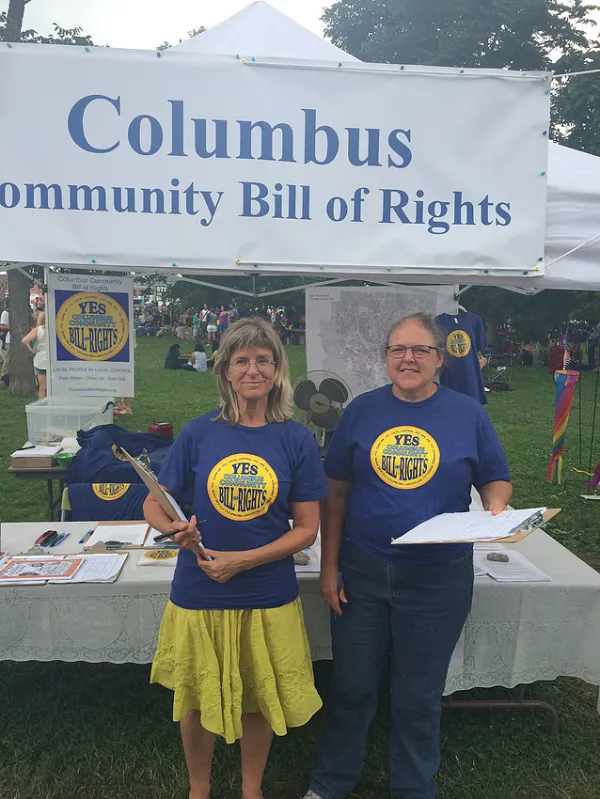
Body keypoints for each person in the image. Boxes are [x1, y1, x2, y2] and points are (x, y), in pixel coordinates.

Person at [305, 312, 512, 799]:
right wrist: (329, 567)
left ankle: (413, 788)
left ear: (440, 360)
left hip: (438, 580)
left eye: (420, 350)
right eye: (398, 349)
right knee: (352, 688)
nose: (408, 358)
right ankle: (331, 784)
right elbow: (334, 493)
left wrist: (496, 506)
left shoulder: (468, 414)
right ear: (386, 359)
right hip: (363, 572)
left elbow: (495, 477)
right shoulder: (360, 411)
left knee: (418, 697)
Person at [145, 316, 328, 799]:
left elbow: (308, 530)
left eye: (263, 360)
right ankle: (198, 789)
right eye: (242, 360)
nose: (253, 370)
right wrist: (171, 528)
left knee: (257, 696)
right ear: (225, 370)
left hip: (265, 592)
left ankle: (252, 790)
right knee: (195, 700)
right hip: (199, 587)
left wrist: (243, 560)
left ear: (277, 369)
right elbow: (154, 499)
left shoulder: (295, 440)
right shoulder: (199, 432)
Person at [22, 311, 48, 399]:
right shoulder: (55, 328)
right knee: (51, 388)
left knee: (42, 388)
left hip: (41, 359)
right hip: (52, 360)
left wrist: (32, 351)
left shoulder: (37, 329)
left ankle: (43, 407)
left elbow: (24, 341)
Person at [0, 307, 9, 388]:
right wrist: (13, 328)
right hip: (9, 340)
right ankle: (3, 377)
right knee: (8, 359)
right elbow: (2, 327)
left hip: (18, 339)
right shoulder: (5, 313)